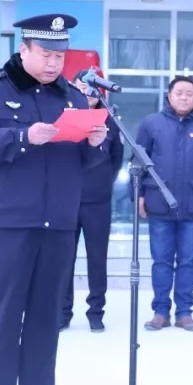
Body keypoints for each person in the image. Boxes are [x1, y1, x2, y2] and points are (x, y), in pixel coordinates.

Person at [0, 14, 109, 385]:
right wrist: (23, 137)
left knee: (47, 320)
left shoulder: (73, 97)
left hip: (59, 223)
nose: (53, 63)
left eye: (59, 56)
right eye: (45, 54)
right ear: (23, 50)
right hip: (10, 224)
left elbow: (83, 163)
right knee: (3, 321)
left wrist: (94, 144)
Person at [136, 75, 193, 333]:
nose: (184, 97)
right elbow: (138, 160)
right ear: (169, 96)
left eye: (189, 93)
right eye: (179, 93)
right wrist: (139, 195)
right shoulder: (151, 123)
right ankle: (160, 312)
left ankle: (185, 313)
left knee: (188, 261)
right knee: (161, 261)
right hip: (159, 201)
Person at [61, 70, 124, 333]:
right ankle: (62, 312)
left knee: (97, 260)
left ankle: (96, 312)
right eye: (82, 87)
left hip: (97, 201)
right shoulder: (63, 115)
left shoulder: (110, 120)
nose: (87, 93)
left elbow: (117, 157)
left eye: (92, 89)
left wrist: (103, 180)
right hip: (66, 200)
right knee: (64, 259)